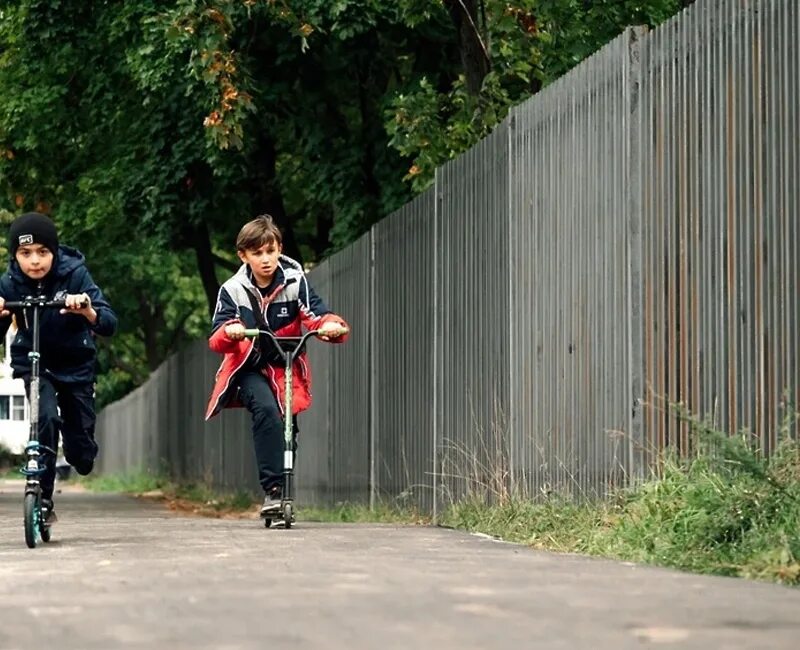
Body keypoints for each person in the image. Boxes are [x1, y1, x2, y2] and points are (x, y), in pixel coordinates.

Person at [205, 215, 349, 515]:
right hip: (247, 367)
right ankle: (272, 490)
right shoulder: (232, 290)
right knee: (267, 410)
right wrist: (231, 330)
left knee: (287, 424)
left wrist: (331, 325)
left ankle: (283, 492)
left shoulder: (296, 281)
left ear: (279, 249)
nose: (266, 260)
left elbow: (316, 314)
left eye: (270, 251)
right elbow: (216, 337)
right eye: (257, 254)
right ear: (243, 256)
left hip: (285, 366)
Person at [0, 212, 117, 522]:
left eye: (42, 252)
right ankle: (43, 497)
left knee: (81, 454)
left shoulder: (75, 275)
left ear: (54, 251)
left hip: (75, 366)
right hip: (35, 366)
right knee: (45, 420)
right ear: (16, 255)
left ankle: (81, 447)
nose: (34, 261)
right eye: (25, 254)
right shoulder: (9, 283)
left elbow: (109, 323)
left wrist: (88, 311)